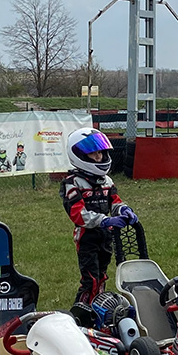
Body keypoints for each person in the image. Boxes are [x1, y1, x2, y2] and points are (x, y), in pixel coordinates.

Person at [61, 127, 136, 305]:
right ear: (80, 156)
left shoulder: (106, 181)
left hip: (105, 235)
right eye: (93, 154)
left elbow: (115, 201)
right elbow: (78, 215)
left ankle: (98, 307)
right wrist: (105, 220)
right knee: (90, 279)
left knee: (102, 276)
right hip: (87, 237)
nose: (99, 157)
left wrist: (124, 210)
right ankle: (81, 312)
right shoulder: (72, 183)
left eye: (100, 153)